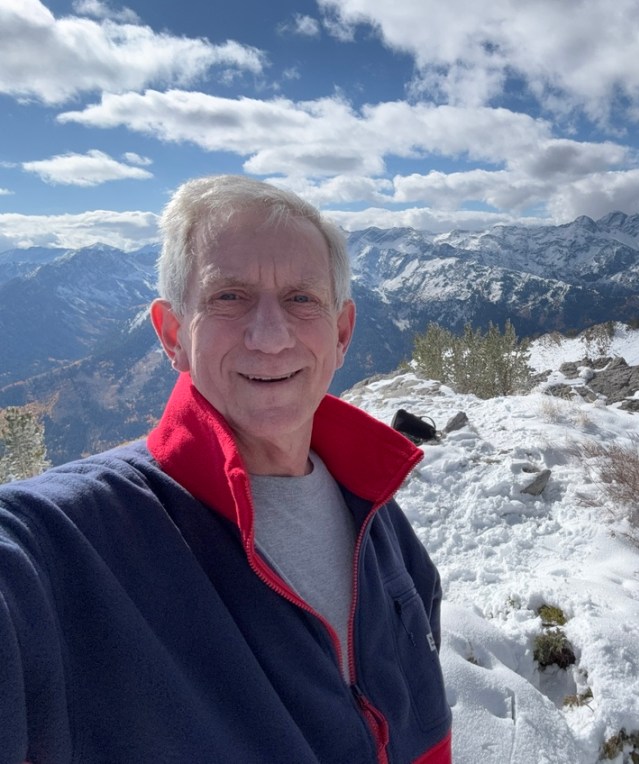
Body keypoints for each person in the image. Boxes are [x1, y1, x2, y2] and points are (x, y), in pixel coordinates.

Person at [0, 176, 451, 763]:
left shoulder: (376, 511)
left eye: (302, 299)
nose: (270, 337)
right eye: (229, 296)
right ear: (173, 336)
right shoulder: (66, 547)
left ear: (341, 334)